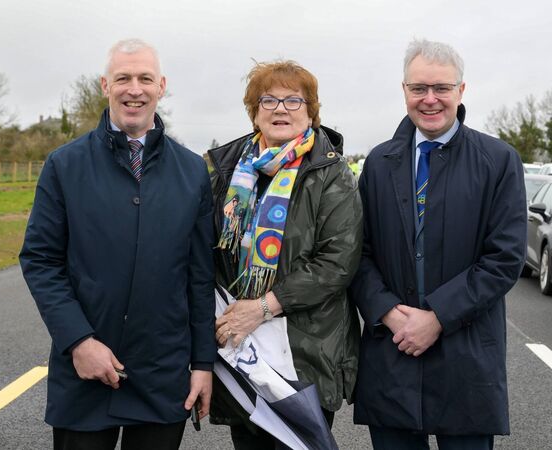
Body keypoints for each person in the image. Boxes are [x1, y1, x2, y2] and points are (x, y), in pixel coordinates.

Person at [19, 39, 215, 450]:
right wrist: (78, 341)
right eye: (123, 78)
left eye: (145, 78)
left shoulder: (193, 171)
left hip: (163, 375)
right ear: (105, 85)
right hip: (86, 371)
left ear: (161, 86)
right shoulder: (64, 165)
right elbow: (40, 260)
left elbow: (199, 276)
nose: (134, 89)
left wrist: (202, 364)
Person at [350, 39, 526, 450]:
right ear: (404, 90)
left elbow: (504, 258)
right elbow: (356, 253)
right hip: (393, 353)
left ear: (461, 91)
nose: (430, 99)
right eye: (419, 88)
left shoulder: (498, 160)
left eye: (441, 88)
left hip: (465, 358)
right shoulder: (378, 163)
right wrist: (390, 314)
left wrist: (437, 318)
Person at [206, 60, 363, 449]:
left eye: (294, 100)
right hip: (242, 348)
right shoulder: (227, 174)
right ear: (254, 111)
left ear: (311, 111)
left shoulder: (332, 174)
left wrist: (261, 307)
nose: (280, 109)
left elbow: (337, 262)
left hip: (306, 352)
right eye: (269, 100)